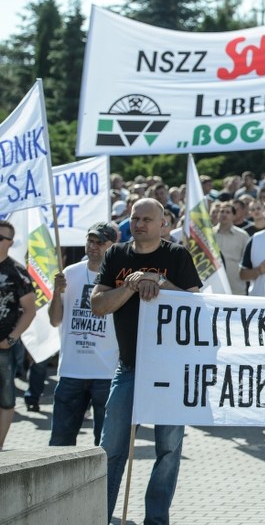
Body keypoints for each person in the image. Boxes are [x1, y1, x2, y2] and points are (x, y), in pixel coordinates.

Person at [91, 198, 202, 525]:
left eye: (147, 219)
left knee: (168, 450)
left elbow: (195, 305)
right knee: (111, 448)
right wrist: (130, 286)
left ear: (163, 223)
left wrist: (160, 281)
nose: (139, 224)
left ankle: (156, 519)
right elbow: (98, 305)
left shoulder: (177, 255)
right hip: (129, 368)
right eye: (135, 218)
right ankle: (100, 516)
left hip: (170, 371)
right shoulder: (116, 255)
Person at [48, 222, 120, 446]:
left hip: (106, 372)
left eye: (100, 242)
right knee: (60, 443)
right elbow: (55, 320)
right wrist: (56, 292)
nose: (93, 246)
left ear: (112, 245)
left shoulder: (120, 277)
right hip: (72, 370)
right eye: (90, 241)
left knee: (105, 445)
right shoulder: (69, 273)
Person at [0, 220, 37, 451]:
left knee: (5, 398)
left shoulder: (17, 272)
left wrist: (12, 338)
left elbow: (30, 310)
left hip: (3, 346)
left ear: (10, 242)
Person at [213, 202, 251, 296]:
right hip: (214, 286)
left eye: (228, 212)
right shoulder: (209, 234)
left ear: (234, 216)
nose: (224, 214)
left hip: (236, 288)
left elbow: (248, 261)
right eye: (222, 211)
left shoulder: (243, 236)